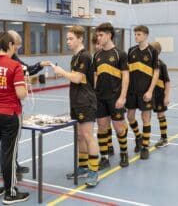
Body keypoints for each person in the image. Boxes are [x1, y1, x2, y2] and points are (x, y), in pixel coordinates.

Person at [0, 31, 29, 204]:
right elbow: (21, 94)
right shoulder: (14, 65)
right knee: (8, 153)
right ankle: (10, 192)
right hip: (9, 114)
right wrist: (23, 83)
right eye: (14, 46)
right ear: (9, 45)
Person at [51, 26, 99, 187]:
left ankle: (93, 171)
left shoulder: (85, 56)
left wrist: (62, 71)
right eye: (67, 39)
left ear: (80, 39)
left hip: (86, 102)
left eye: (71, 38)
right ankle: (83, 166)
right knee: (79, 137)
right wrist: (65, 74)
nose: (68, 42)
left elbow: (78, 78)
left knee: (87, 136)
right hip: (76, 101)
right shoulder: (75, 57)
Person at [6, 30, 51, 176]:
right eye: (16, 46)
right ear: (9, 44)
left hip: (11, 105)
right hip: (9, 106)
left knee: (13, 139)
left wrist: (40, 65)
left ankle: (13, 164)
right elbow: (25, 73)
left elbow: (27, 70)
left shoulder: (13, 57)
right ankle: (9, 169)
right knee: (9, 140)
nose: (17, 49)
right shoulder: (7, 61)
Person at [93, 23, 129, 168]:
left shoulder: (120, 54)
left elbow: (126, 77)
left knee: (119, 128)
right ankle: (104, 158)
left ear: (109, 35)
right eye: (98, 35)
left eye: (101, 35)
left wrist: (122, 97)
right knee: (102, 127)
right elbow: (96, 76)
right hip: (100, 98)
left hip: (115, 98)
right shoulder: (97, 55)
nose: (98, 38)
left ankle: (124, 154)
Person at [126, 25, 159, 160]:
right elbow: (127, 72)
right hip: (132, 92)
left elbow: (156, 73)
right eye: (135, 34)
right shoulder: (131, 51)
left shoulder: (152, 51)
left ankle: (145, 146)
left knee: (146, 119)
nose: (136, 36)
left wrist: (150, 91)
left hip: (146, 92)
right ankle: (138, 136)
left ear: (145, 35)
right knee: (130, 117)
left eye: (138, 34)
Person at [91, 32, 115, 156]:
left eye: (99, 42)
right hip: (100, 95)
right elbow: (95, 76)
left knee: (112, 122)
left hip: (113, 95)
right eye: (96, 43)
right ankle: (108, 146)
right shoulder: (96, 57)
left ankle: (111, 144)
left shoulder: (115, 54)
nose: (97, 45)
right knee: (103, 124)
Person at [150, 42, 170, 147]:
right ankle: (145, 138)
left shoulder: (162, 65)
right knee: (146, 116)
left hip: (159, 95)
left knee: (160, 115)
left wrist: (166, 96)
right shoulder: (147, 64)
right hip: (149, 95)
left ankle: (164, 138)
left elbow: (167, 82)